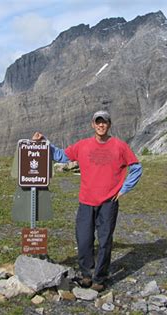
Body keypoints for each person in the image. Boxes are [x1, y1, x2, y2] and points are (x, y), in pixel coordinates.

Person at [32, 110, 142, 291]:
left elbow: (136, 167)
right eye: (98, 122)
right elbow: (61, 156)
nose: (101, 125)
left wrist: (124, 189)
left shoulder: (120, 146)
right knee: (83, 239)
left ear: (109, 125)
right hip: (86, 202)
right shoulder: (83, 145)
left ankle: (99, 278)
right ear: (93, 125)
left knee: (105, 240)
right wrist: (44, 143)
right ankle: (86, 274)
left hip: (109, 202)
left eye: (104, 122)